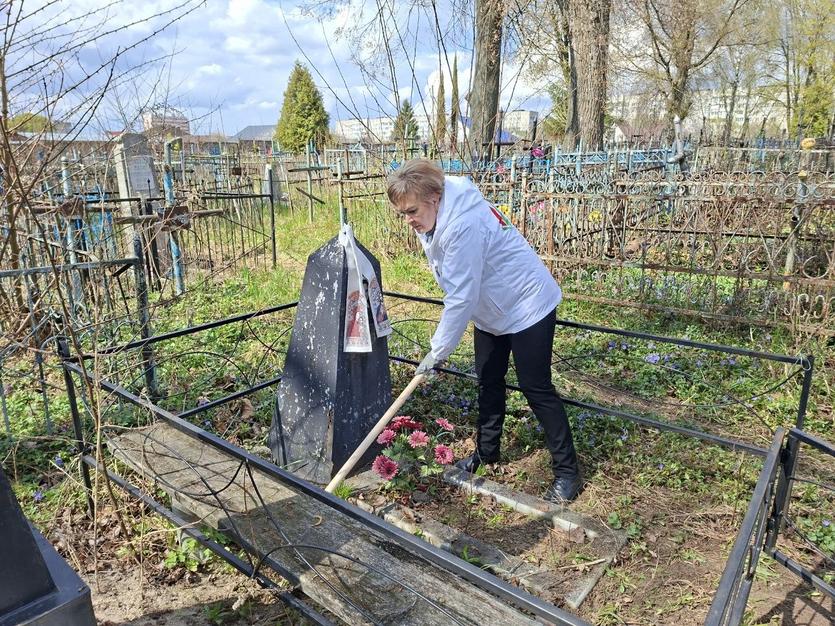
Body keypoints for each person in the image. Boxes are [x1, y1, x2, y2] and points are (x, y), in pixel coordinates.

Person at [386, 159, 583, 503]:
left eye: (412, 211)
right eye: (402, 214)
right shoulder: (434, 213)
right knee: (488, 379)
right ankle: (487, 453)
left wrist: (437, 351)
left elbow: (461, 295)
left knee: (535, 387)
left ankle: (568, 474)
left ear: (434, 197)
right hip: (492, 307)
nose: (408, 220)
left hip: (527, 304)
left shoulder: (464, 222)